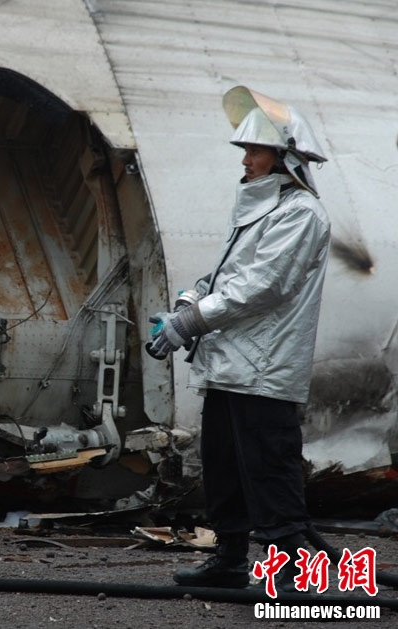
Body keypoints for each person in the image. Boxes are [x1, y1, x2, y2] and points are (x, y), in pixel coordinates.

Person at [147, 86, 331, 590]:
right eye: (246, 149)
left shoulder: (300, 213)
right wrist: (190, 301)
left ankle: (293, 572)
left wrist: (190, 323)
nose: (246, 160)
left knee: (270, 470)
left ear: (285, 157)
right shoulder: (258, 209)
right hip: (231, 364)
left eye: (255, 150)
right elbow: (229, 277)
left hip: (264, 370)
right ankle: (228, 560)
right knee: (224, 467)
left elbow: (260, 288)